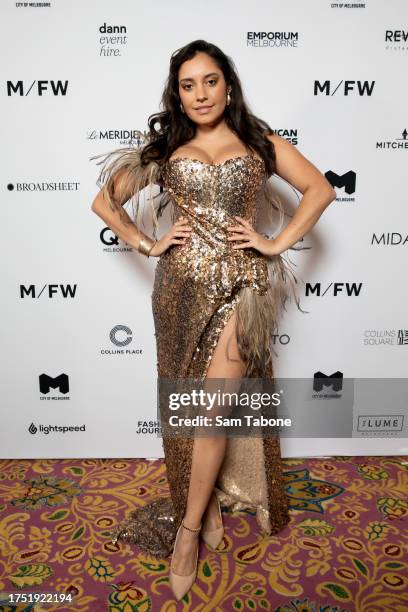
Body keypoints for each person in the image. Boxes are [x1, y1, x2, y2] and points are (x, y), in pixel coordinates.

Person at [90, 39, 336, 601]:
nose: (200, 94)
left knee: (212, 410)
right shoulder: (167, 147)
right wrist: (146, 242)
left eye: (210, 81)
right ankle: (207, 507)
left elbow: (319, 189)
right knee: (185, 405)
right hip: (178, 290)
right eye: (188, 84)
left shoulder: (257, 141)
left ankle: (188, 529)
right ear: (176, 94)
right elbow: (105, 203)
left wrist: (275, 243)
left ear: (229, 85)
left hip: (240, 290)